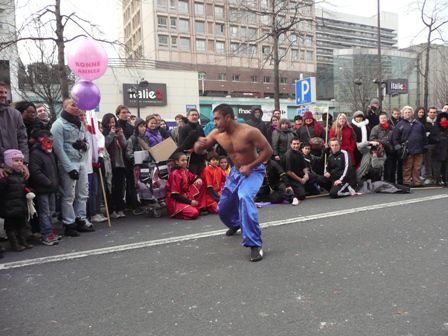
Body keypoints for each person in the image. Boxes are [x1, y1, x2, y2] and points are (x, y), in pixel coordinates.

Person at [194, 103, 273, 262]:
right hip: (236, 172)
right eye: (213, 119)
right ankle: (236, 223)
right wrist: (198, 145)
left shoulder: (250, 131)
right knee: (223, 207)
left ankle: (254, 244)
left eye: (217, 119)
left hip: (253, 171)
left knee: (244, 197)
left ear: (228, 117)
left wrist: (251, 166)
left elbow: (268, 151)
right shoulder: (217, 133)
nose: (214, 123)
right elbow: (201, 149)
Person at [51, 98, 94, 236]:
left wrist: (84, 146)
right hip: (69, 162)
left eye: (77, 106)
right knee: (69, 195)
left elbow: (86, 141)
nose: (76, 108)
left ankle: (80, 218)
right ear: (65, 107)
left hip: (81, 161)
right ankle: (69, 223)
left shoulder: (80, 122)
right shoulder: (58, 125)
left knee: (83, 192)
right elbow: (58, 148)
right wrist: (69, 168)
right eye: (72, 105)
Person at [28, 130, 60, 246]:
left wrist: (55, 182)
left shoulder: (49, 152)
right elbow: (35, 171)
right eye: (47, 138)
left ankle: (51, 231)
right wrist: (48, 182)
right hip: (43, 188)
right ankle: (46, 234)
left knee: (51, 211)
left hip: (51, 187)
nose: (50, 140)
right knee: (45, 212)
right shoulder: (36, 153)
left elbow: (54, 169)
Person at [0, 149, 33, 251]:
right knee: (11, 226)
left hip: (20, 204)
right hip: (9, 205)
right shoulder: (5, 175)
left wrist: (28, 191)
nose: (19, 163)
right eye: (16, 160)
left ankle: (22, 240)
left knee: (21, 224)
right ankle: (14, 243)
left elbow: (24, 187)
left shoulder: (21, 175)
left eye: (21, 161)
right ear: (9, 162)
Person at [392, 106, 427, 187]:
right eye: (406, 112)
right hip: (407, 149)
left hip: (418, 149)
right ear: (403, 114)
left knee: (417, 167)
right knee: (407, 167)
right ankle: (407, 182)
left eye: (409, 112)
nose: (407, 114)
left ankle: (417, 182)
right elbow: (395, 137)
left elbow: (424, 136)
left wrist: (424, 146)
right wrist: (398, 147)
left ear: (412, 113)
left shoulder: (419, 124)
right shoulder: (400, 124)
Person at [0, 82, 29, 179]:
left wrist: (23, 162)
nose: (3, 95)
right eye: (0, 92)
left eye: (5, 92)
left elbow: (22, 139)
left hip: (15, 168)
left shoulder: (15, 114)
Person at [102, 113, 127, 219]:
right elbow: (104, 144)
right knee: (111, 188)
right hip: (110, 164)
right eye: (110, 122)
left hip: (120, 163)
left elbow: (124, 144)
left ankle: (120, 208)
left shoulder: (117, 133)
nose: (112, 124)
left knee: (119, 188)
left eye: (114, 122)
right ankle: (111, 210)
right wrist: (111, 134)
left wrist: (121, 135)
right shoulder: (104, 133)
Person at [165, 152, 205, 219]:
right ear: (177, 162)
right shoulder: (175, 174)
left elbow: (193, 177)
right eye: (182, 160)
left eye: (186, 160)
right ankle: (177, 212)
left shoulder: (185, 170)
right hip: (175, 201)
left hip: (186, 195)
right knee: (194, 213)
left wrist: (198, 179)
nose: (185, 162)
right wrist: (190, 202)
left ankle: (199, 206)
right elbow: (175, 195)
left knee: (201, 183)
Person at [178, 108, 206, 175]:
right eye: (192, 115)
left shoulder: (200, 127)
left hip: (201, 160)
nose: (194, 117)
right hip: (191, 161)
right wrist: (193, 147)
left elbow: (204, 140)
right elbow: (182, 147)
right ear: (188, 117)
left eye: (196, 115)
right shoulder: (184, 128)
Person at [283, 137, 310, 205]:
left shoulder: (299, 153)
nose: (296, 145)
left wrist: (306, 175)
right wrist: (300, 180)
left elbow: (304, 167)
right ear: (290, 144)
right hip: (291, 179)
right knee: (302, 195)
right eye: (294, 144)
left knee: (315, 177)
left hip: (300, 175)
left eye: (298, 144)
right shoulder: (288, 155)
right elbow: (289, 172)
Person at [428, 111, 448, 186]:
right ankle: (437, 180)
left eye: (445, 119)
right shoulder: (435, 127)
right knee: (437, 167)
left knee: (446, 167)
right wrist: (437, 139)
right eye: (442, 118)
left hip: (446, 150)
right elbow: (430, 138)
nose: (443, 120)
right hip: (437, 150)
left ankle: (446, 180)